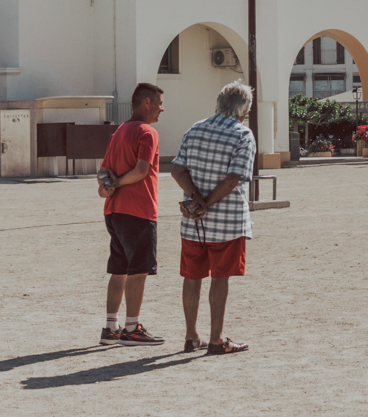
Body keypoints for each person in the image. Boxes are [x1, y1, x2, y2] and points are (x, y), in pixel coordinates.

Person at [171, 81, 258, 355]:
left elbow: (177, 170)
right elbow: (234, 179)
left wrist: (196, 199)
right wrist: (207, 202)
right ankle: (217, 338)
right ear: (243, 111)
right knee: (220, 278)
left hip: (193, 221)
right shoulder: (243, 135)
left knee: (192, 277)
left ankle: (191, 336)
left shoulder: (195, 129)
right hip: (228, 223)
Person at [97, 83, 168, 345]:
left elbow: (103, 172)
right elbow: (141, 170)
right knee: (138, 271)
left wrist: (109, 187)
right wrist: (116, 184)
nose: (162, 108)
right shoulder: (147, 132)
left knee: (120, 270)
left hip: (114, 211)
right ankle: (131, 328)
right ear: (146, 102)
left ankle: (110, 327)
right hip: (138, 210)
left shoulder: (118, 132)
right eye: (159, 103)